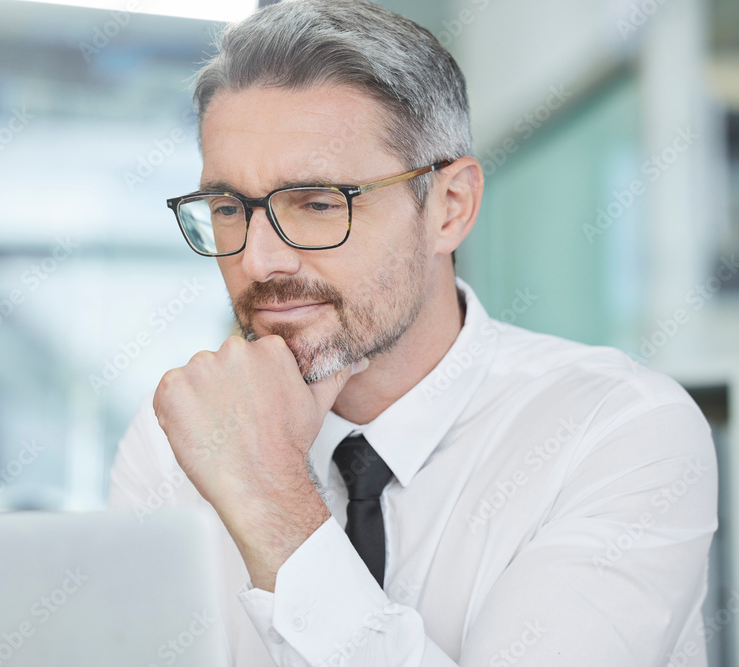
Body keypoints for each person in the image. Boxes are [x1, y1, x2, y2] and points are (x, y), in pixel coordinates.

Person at [107, 1, 719, 664]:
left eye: (317, 203)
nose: (258, 262)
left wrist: (269, 497)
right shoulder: (175, 440)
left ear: (449, 208)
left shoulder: (620, 430)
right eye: (229, 208)